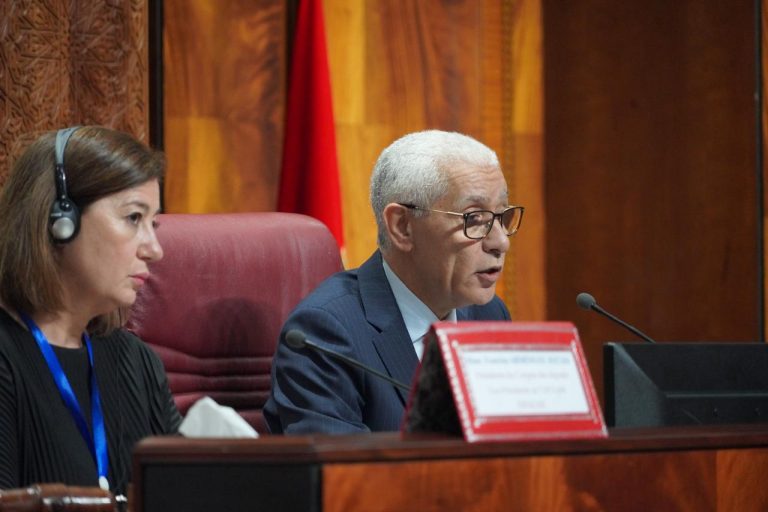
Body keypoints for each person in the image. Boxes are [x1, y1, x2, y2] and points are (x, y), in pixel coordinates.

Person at [264, 130, 524, 434]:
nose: (500, 242)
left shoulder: (488, 315)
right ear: (402, 227)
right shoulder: (326, 334)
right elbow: (341, 464)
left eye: (501, 216)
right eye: (474, 218)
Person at [0, 126, 181, 495]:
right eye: (134, 218)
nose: (155, 249)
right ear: (60, 221)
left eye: (154, 223)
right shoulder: (7, 359)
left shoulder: (139, 363)